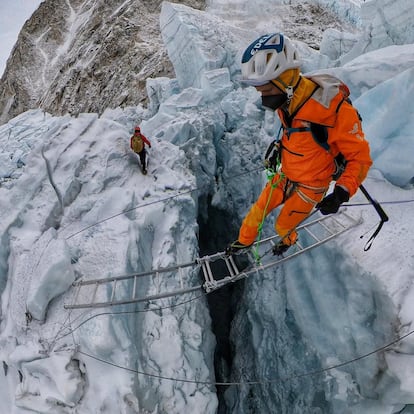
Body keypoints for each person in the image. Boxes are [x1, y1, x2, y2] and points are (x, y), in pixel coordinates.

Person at [226, 32, 372, 256]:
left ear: (286, 78)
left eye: (265, 89)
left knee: (282, 225)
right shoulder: (289, 99)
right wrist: (279, 150)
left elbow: (360, 158)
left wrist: (341, 193)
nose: (262, 96)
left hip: (311, 185)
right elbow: (296, 136)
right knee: (256, 214)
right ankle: (244, 242)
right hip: (287, 174)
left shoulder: (332, 109)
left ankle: (288, 240)